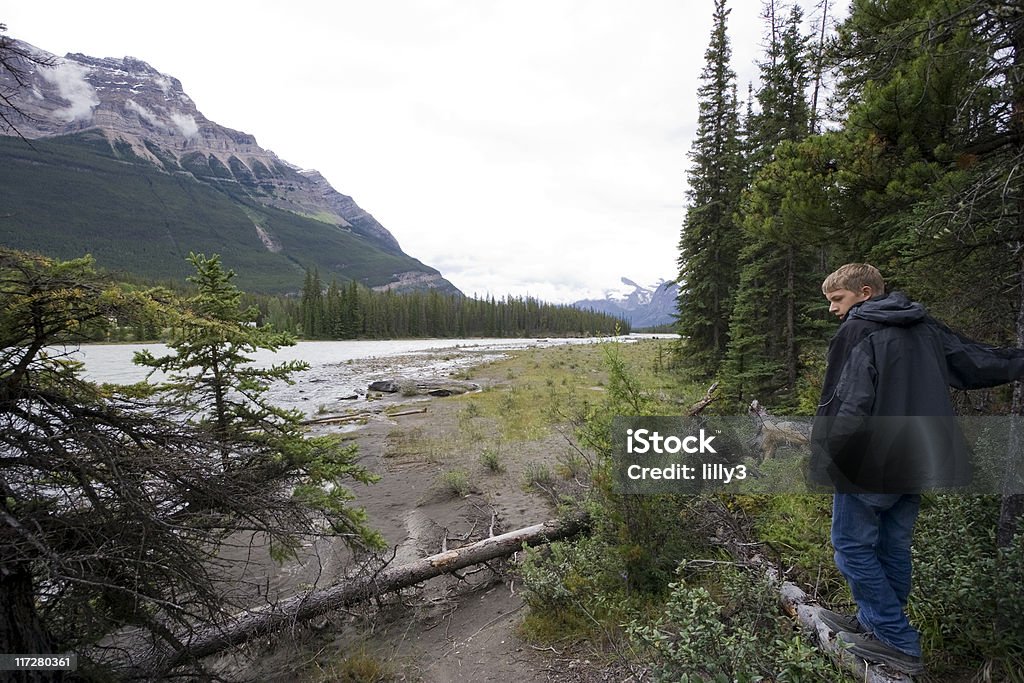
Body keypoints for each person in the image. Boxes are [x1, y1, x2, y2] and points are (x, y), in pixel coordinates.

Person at [809, 263, 1024, 674]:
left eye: (837, 300)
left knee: (851, 548)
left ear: (864, 292)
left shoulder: (858, 331)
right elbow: (979, 363)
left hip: (871, 459)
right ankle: (874, 625)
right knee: (891, 546)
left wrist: (829, 457)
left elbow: (847, 400)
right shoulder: (925, 327)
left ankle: (897, 640)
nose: (834, 310)